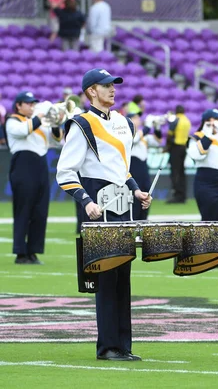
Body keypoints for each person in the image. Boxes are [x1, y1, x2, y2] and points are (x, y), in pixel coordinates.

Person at [56, 68, 152, 361]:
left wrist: (136, 190)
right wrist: (85, 201)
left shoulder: (125, 122)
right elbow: (65, 171)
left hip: (123, 203)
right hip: (98, 203)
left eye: (113, 85)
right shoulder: (81, 123)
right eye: (105, 85)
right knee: (106, 276)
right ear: (90, 92)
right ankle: (107, 346)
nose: (112, 89)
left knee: (124, 274)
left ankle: (123, 344)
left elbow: (122, 168)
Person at [7, 91, 63, 265]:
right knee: (23, 209)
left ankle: (33, 251)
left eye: (33, 104)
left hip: (40, 164)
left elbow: (57, 139)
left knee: (40, 211)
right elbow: (24, 131)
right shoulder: (12, 121)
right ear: (19, 105)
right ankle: (20, 253)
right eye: (29, 104)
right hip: (23, 164)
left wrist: (55, 122)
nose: (32, 106)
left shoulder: (38, 123)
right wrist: (40, 115)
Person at [130, 113, 162, 220]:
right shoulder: (128, 134)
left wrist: (157, 127)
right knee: (135, 193)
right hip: (133, 166)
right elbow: (135, 139)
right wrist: (148, 126)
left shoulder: (143, 136)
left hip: (143, 167)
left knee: (147, 191)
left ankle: (144, 218)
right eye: (135, 118)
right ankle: (134, 219)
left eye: (138, 118)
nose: (138, 120)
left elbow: (158, 142)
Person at [166, 105, 191, 204]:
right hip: (183, 148)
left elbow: (170, 134)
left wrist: (167, 147)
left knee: (175, 172)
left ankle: (177, 195)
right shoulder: (187, 120)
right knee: (181, 172)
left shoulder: (175, 120)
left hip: (175, 147)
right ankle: (183, 195)